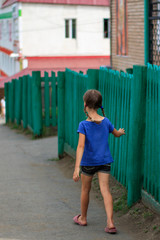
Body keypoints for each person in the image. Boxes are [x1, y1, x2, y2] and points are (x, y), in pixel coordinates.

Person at [72, 89, 125, 234]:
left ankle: (83, 218)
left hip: (88, 163)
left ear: (85, 105)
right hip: (104, 162)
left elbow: (81, 146)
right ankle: (110, 222)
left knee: (85, 189)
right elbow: (116, 134)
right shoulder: (106, 121)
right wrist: (120, 132)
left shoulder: (83, 125)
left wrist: (77, 168)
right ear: (99, 105)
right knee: (105, 190)